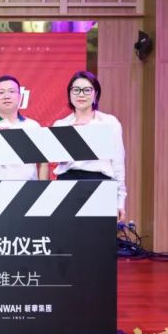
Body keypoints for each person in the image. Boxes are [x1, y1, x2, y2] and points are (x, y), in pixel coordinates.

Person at [53, 71, 126, 222]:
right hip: (67, 183)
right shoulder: (60, 125)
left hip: (100, 183)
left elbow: (118, 163)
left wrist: (120, 200)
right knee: (67, 233)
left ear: (95, 93)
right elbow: (59, 160)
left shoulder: (110, 123)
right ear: (69, 93)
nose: (81, 94)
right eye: (76, 90)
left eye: (87, 90)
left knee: (98, 235)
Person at [0, 75, 48, 181]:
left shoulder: (33, 126)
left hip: (29, 188)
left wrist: (42, 188)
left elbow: (43, 164)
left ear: (20, 96)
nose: (6, 96)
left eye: (11, 91)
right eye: (1, 92)